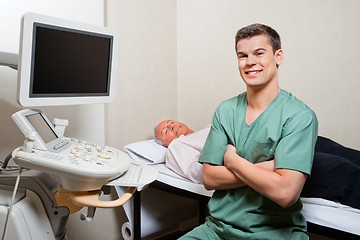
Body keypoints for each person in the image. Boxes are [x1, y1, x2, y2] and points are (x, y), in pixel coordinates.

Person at [178, 23, 318, 240]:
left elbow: (285, 193)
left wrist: (233, 161)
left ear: (278, 56)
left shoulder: (299, 116)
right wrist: (268, 169)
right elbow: (209, 178)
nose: (250, 61)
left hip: (274, 233)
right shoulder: (226, 110)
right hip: (217, 230)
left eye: (259, 53)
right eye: (242, 56)